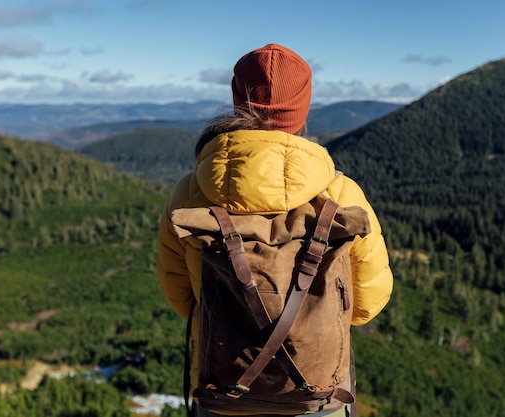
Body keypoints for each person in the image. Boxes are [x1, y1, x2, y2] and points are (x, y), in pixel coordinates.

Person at [157, 43, 393, 417]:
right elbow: (365, 306)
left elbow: (182, 300)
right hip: (317, 396)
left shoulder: (189, 193)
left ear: (237, 101)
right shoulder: (342, 194)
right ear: (303, 108)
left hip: (222, 394)